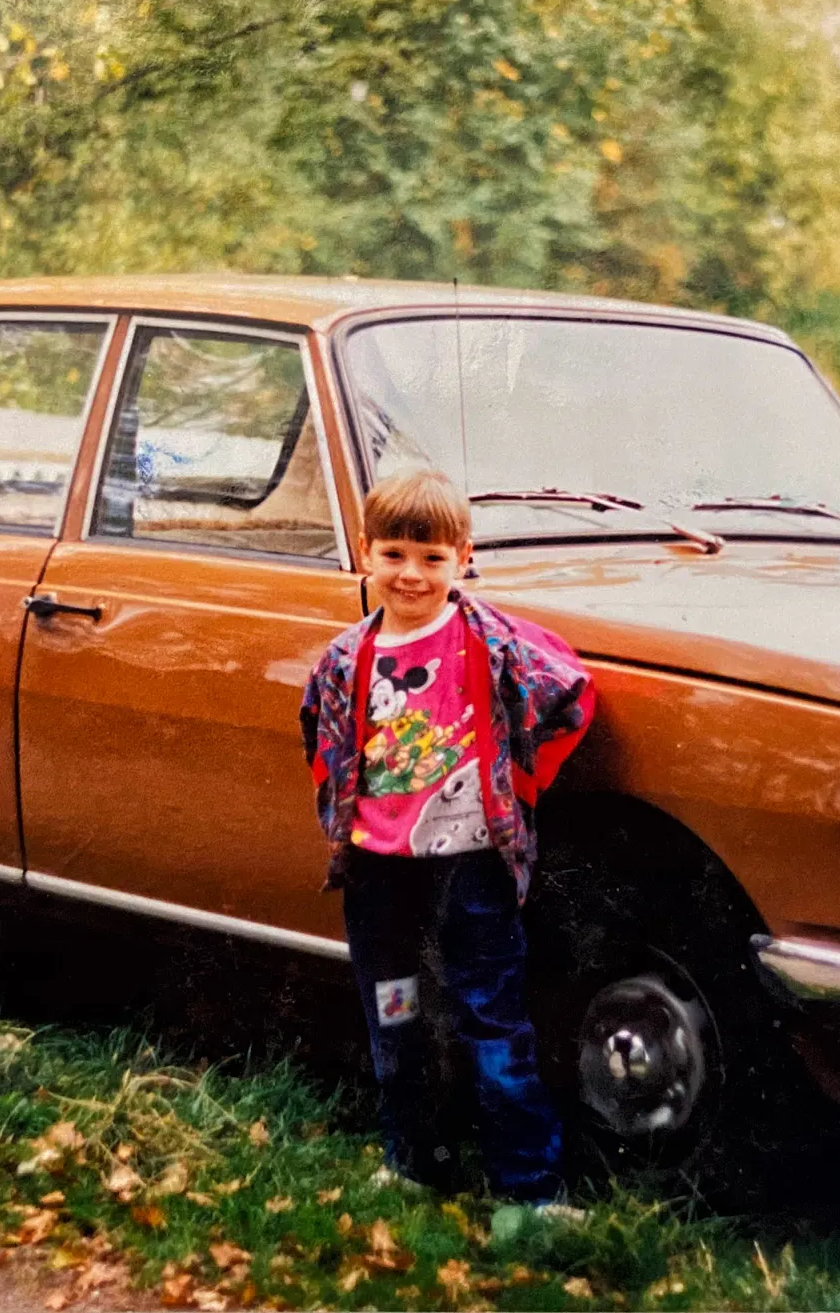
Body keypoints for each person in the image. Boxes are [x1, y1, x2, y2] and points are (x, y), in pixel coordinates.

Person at [300, 468, 595, 1200]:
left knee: (492, 1023)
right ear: (365, 552)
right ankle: (413, 1163)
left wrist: (522, 785)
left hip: (472, 872)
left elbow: (572, 696)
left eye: (432, 558)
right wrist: (345, 817)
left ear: (464, 556)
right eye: (395, 553)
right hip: (379, 876)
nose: (411, 574)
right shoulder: (346, 659)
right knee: (395, 1017)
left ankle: (529, 1192)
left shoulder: (488, 643)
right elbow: (321, 734)